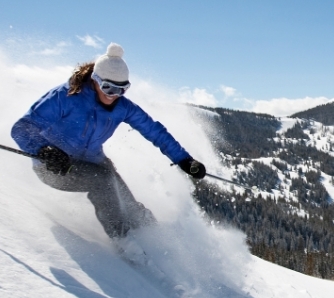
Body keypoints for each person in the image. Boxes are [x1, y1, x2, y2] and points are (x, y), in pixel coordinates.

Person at [11, 43, 206, 241]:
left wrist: (185, 160)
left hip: (94, 162)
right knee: (102, 181)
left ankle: (155, 237)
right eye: (108, 87)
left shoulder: (123, 107)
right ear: (95, 80)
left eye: (122, 89)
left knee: (125, 199)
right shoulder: (66, 97)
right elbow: (22, 127)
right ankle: (126, 242)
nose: (113, 95)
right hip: (56, 167)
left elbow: (154, 131)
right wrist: (44, 150)